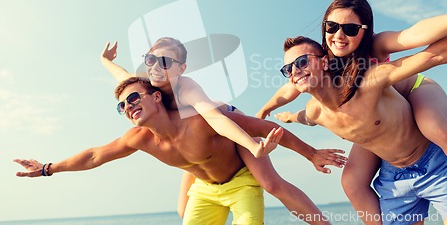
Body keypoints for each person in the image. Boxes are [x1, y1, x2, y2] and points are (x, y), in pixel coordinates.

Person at [258, 0, 447, 224]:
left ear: (364, 31)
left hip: (414, 88)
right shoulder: (319, 71)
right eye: (331, 27)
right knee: (352, 180)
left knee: (433, 126)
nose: (339, 35)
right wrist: (273, 112)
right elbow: (293, 94)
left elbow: (423, 44)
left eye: (351, 29)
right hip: (385, 131)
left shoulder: (374, 52)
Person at [14, 77, 346, 225]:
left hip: (241, 180)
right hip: (204, 189)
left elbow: (260, 128)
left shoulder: (199, 119)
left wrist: (311, 154)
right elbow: (95, 155)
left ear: (156, 96)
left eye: (133, 98)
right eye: (122, 106)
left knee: (273, 185)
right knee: (182, 211)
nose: (129, 106)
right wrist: (47, 168)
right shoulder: (139, 138)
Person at [101, 39, 346, 224]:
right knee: (182, 211)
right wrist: (106, 61)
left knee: (271, 184)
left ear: (180, 67)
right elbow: (123, 76)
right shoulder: (146, 87)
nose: (155, 66)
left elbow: (215, 118)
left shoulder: (185, 87)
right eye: (150, 60)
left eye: (164, 61)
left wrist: (303, 152)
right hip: (196, 137)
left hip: (228, 122)